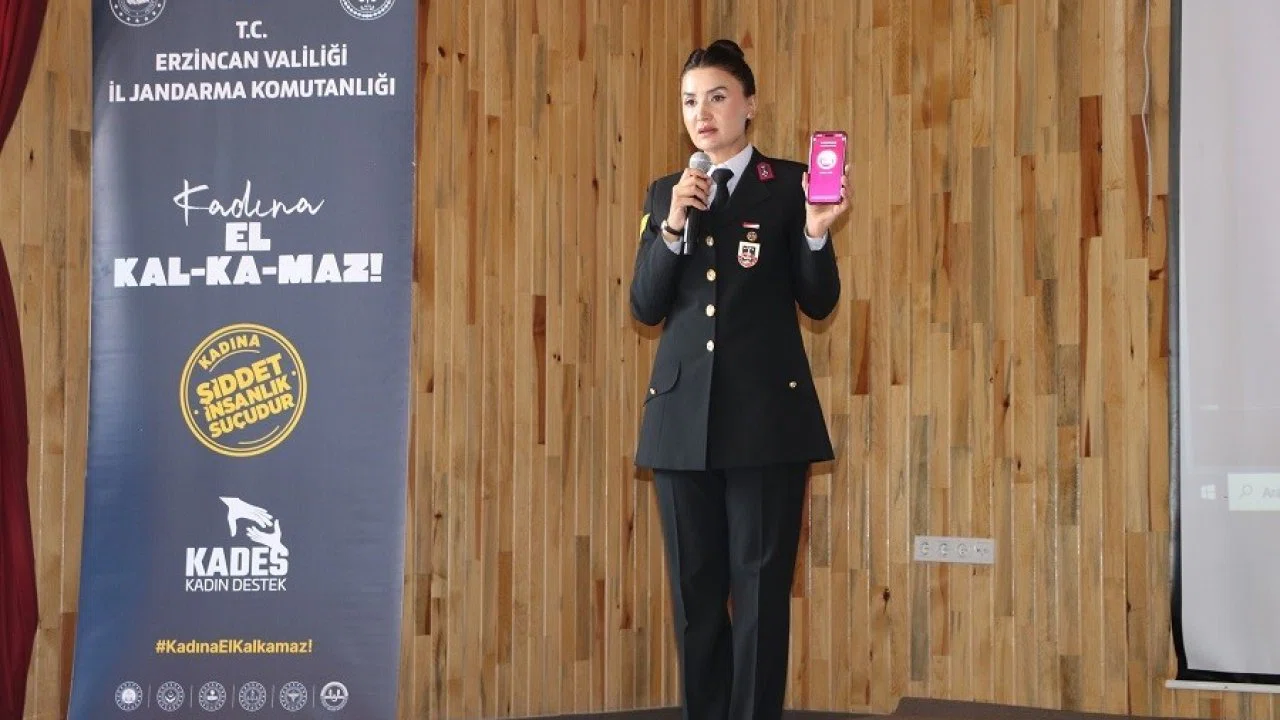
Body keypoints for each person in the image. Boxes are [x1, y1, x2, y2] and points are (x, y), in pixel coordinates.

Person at [628, 39, 850, 720]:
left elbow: (819, 302)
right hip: (680, 425)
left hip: (765, 424)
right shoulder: (666, 192)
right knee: (695, 600)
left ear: (749, 105)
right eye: (690, 101)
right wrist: (672, 227)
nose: (702, 113)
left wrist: (815, 234)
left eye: (718, 97)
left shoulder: (787, 186)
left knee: (758, 597)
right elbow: (645, 305)